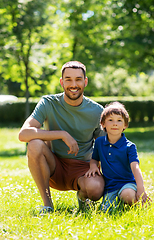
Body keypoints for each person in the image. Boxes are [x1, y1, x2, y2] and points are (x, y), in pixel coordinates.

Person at [18, 61, 105, 214]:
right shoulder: (48, 103)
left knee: (96, 189)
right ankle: (47, 205)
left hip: (83, 169)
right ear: (61, 82)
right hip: (54, 165)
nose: (73, 84)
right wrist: (61, 134)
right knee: (34, 144)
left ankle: (83, 197)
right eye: (68, 79)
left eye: (78, 79)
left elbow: (104, 148)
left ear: (85, 81)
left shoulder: (97, 111)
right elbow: (23, 134)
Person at [85, 102, 151, 212]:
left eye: (119, 120)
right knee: (106, 211)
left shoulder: (130, 146)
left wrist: (141, 189)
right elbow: (94, 159)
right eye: (110, 120)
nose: (115, 123)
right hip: (109, 187)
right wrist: (93, 166)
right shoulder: (99, 142)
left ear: (125, 125)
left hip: (127, 184)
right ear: (103, 124)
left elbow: (135, 168)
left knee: (128, 195)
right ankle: (118, 202)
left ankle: (132, 202)